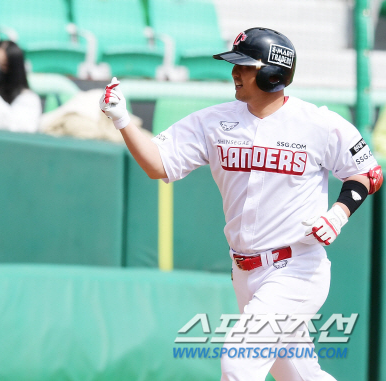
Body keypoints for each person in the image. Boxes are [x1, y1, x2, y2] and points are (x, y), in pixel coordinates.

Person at [99, 27, 382, 380]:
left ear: (274, 72)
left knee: (240, 361)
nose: (235, 71)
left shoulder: (318, 123)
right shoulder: (215, 120)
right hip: (245, 272)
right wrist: (122, 120)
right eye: (235, 64)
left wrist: (338, 215)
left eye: (246, 65)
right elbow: (158, 164)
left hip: (296, 267)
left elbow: (368, 173)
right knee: (299, 376)